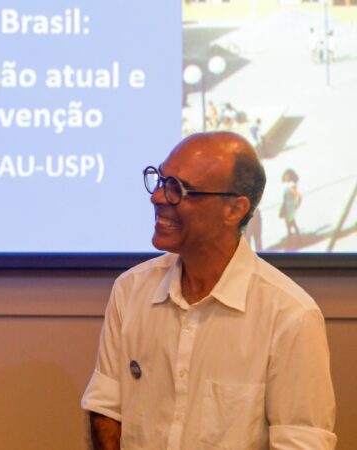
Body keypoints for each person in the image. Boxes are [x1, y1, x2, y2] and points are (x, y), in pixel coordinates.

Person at [81, 132, 336, 449]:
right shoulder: (130, 290)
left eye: (178, 189)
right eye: (160, 180)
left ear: (234, 210)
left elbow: (301, 442)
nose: (158, 197)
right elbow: (106, 406)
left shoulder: (290, 315)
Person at [280, 168, 302, 248]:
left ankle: (293, 241)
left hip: (289, 208)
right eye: (285, 176)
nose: (286, 177)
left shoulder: (291, 185)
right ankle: (297, 239)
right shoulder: (289, 185)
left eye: (287, 176)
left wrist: (297, 204)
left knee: (290, 224)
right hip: (288, 207)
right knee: (292, 223)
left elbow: (298, 195)